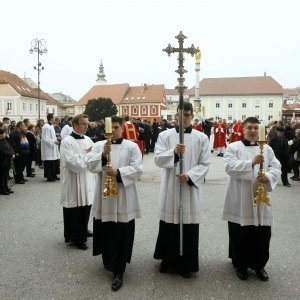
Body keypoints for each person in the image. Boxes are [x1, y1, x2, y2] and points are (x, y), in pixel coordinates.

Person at [153, 102, 211, 278]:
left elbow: (205, 163)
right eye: (180, 114)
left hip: (189, 188)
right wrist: (174, 153)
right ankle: (167, 260)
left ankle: (187, 263)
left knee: (188, 225)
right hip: (171, 186)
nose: (183, 117)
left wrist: (191, 176)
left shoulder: (202, 138)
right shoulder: (165, 135)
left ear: (192, 116)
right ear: (175, 115)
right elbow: (157, 159)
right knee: (169, 224)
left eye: (187, 114)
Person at [86, 116, 143, 291]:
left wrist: (119, 172)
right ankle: (108, 260)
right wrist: (103, 154)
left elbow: (138, 169)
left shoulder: (131, 146)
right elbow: (89, 164)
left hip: (124, 196)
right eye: (111, 128)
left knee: (122, 230)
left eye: (117, 128)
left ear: (121, 129)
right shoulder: (98, 145)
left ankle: (119, 269)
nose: (114, 131)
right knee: (106, 229)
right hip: (104, 197)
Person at [223, 117, 281, 281]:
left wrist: (268, 176)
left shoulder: (267, 149)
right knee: (240, 232)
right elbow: (229, 167)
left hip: (261, 197)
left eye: (256, 128)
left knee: (262, 233)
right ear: (243, 129)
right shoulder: (233, 147)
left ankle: (259, 265)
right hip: (240, 196)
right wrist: (250, 162)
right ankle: (240, 264)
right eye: (249, 127)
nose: (253, 131)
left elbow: (276, 166)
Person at [60, 114, 95, 250]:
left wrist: (89, 156)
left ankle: (84, 229)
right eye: (83, 124)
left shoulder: (88, 139)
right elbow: (71, 162)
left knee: (86, 206)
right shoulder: (67, 141)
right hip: (73, 179)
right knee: (75, 210)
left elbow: (94, 156)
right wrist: (87, 155)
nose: (86, 126)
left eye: (87, 123)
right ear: (74, 125)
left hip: (86, 177)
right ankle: (76, 238)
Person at [41, 113, 60, 182]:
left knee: (54, 162)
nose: (54, 118)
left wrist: (56, 139)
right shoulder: (46, 126)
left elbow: (52, 136)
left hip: (53, 147)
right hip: (48, 148)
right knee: (49, 163)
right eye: (53, 117)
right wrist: (53, 142)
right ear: (51, 118)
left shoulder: (51, 126)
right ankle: (49, 177)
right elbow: (45, 138)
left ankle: (54, 175)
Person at [0, 128, 14, 195]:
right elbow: (2, 151)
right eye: (4, 133)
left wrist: (12, 153)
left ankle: (6, 187)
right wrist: (10, 154)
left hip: (7, 160)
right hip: (2, 161)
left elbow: (10, 147)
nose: (5, 134)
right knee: (2, 176)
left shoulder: (5, 140)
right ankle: (2, 189)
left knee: (5, 176)